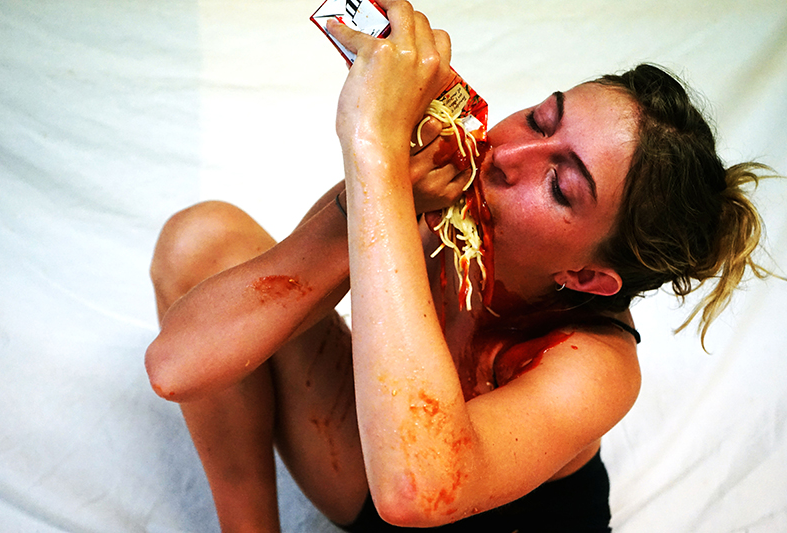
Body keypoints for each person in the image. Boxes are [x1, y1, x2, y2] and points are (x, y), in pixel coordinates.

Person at [145, 1, 775, 531]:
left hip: (430, 494)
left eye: (560, 185)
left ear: (586, 277)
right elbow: (178, 364)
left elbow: (417, 490)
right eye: (538, 118)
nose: (509, 152)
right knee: (202, 237)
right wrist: (376, 192)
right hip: (374, 480)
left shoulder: (597, 366)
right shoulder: (430, 202)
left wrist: (373, 155)